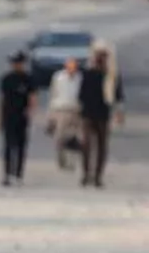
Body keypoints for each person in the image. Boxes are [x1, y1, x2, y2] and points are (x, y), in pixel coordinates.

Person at [78, 44, 125, 189]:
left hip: (103, 114)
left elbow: (118, 95)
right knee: (86, 145)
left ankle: (98, 176)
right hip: (87, 114)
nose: (100, 59)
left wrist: (119, 112)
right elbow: (81, 93)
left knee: (102, 146)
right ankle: (86, 174)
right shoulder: (87, 73)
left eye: (103, 56)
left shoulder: (111, 76)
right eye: (98, 55)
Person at [0, 51, 37, 186]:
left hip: (22, 116)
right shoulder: (7, 79)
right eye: (14, 63)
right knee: (8, 146)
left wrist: (30, 112)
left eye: (19, 63)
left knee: (21, 146)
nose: (16, 65)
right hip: (9, 115)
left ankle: (19, 175)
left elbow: (32, 97)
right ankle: (7, 174)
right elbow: (2, 99)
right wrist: (0, 117)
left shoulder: (28, 79)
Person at [46, 57, 83, 171]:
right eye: (69, 66)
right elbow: (53, 94)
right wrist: (50, 116)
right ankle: (61, 160)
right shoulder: (58, 77)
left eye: (74, 66)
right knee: (60, 137)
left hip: (76, 110)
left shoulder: (80, 78)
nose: (72, 69)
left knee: (76, 138)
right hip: (61, 109)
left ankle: (72, 162)